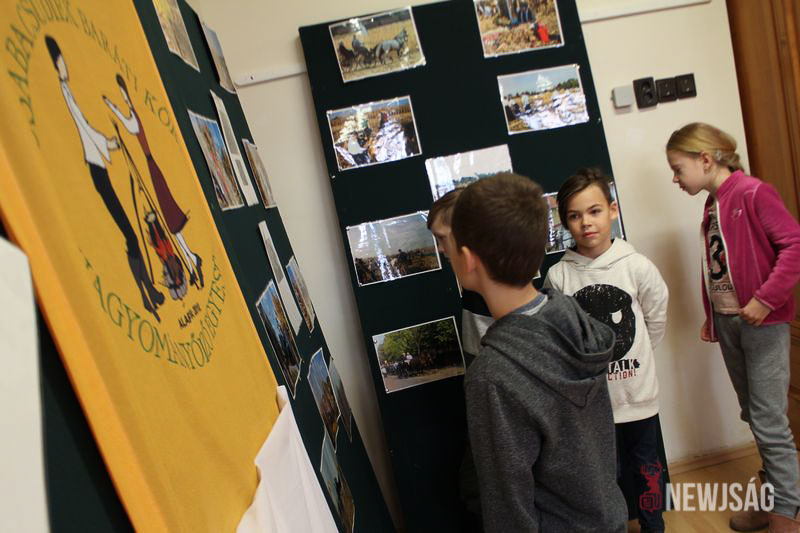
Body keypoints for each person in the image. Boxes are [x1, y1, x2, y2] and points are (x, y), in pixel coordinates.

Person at [449, 172, 628, 532]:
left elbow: (507, 503)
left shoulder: (492, 376)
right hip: (607, 516)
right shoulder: (574, 319)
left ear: (468, 259)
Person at [667, 122, 800, 533]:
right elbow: (719, 266)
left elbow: (794, 245)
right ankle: (772, 499)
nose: (675, 179)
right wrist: (714, 316)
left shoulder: (753, 193)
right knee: (754, 415)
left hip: (763, 323)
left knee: (769, 420)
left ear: (706, 160)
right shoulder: (713, 205)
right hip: (730, 323)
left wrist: (766, 298)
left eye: (678, 169)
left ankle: (786, 515)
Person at [544, 168, 669, 533]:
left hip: (638, 394)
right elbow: (559, 337)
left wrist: (638, 357)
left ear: (613, 210)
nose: (586, 222)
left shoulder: (637, 266)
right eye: (575, 215)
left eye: (594, 211)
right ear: (565, 222)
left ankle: (654, 526)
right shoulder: (559, 276)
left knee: (647, 466)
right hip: (592, 402)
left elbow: (656, 318)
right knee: (602, 475)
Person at [44, 35, 164, 322]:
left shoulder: (82, 114)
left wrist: (113, 142)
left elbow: (95, 135)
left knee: (132, 236)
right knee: (131, 236)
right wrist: (110, 142)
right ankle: (146, 294)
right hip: (99, 177)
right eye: (61, 63)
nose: (65, 67)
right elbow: (85, 127)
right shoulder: (67, 95)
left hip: (104, 174)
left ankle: (149, 293)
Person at [104, 74, 204, 289]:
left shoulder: (134, 119)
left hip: (152, 168)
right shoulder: (135, 117)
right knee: (173, 228)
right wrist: (113, 105)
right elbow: (125, 118)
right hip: (152, 167)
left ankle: (192, 262)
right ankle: (192, 261)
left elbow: (124, 120)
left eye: (124, 96)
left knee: (173, 226)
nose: (125, 100)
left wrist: (110, 106)